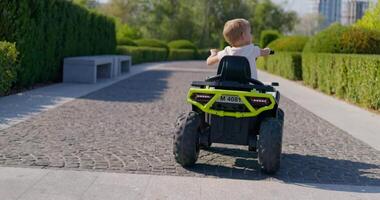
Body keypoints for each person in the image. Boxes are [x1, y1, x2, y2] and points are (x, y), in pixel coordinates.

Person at [206, 18, 271, 80]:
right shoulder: (253, 50)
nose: (251, 35)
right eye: (250, 32)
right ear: (243, 36)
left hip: (229, 87)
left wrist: (213, 54)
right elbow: (265, 52)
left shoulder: (226, 52)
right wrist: (268, 50)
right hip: (250, 87)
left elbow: (209, 62)